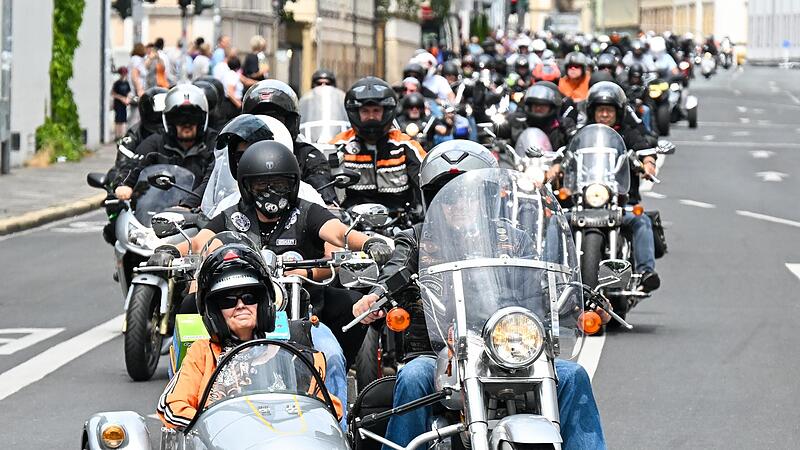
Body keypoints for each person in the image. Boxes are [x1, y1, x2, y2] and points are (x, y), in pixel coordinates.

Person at [352, 140, 607, 450]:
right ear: (432, 201)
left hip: (509, 351)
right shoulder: (416, 239)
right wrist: (378, 292)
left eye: (467, 196)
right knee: (413, 377)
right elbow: (395, 268)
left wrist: (579, 301)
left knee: (573, 375)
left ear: (484, 197)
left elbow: (540, 286)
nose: (458, 205)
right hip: (437, 354)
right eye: (447, 198)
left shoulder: (513, 238)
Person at [183, 141, 395, 416]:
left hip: (304, 318)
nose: (271, 193)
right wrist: (166, 251)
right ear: (247, 187)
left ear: (293, 184)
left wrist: (367, 243)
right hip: (242, 319)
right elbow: (200, 243)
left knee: (330, 357)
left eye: (280, 184)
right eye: (262, 185)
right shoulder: (232, 217)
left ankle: (336, 433)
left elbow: (339, 232)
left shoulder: (306, 212)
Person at [156, 237, 343, 429]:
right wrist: (212, 427)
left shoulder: (294, 356)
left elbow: (329, 410)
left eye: (249, 297)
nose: (240, 306)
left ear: (263, 304)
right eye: (228, 301)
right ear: (214, 312)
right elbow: (171, 406)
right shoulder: (202, 352)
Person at [585, 81, 661, 292]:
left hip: (621, 201)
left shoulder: (627, 133)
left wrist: (648, 164)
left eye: (609, 111)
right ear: (593, 112)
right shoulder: (583, 134)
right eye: (601, 110)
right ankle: (552, 274)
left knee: (641, 221)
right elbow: (564, 153)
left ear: (618, 112)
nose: (605, 115)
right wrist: (555, 166)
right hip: (587, 200)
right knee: (558, 221)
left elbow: (645, 149)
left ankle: (646, 272)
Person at [330, 76, 427, 213]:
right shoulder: (339, 145)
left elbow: (427, 178)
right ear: (355, 113)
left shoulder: (404, 145)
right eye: (365, 111)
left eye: (376, 111)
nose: (371, 117)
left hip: (399, 224)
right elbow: (320, 177)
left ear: (386, 111)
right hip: (351, 225)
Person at [113, 84, 218, 209]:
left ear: (202, 119)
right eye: (179, 117)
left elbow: (213, 178)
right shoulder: (156, 142)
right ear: (169, 119)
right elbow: (134, 164)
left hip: (202, 213)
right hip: (160, 211)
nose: (186, 124)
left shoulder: (214, 143)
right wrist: (124, 184)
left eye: (193, 117)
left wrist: (189, 204)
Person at [242, 79, 337, 204]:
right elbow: (215, 193)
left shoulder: (308, 156)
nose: (269, 125)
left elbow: (324, 196)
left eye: (276, 119)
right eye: (260, 121)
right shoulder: (237, 153)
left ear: (291, 123)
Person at [111, 67, 132, 140]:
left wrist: (128, 98)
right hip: (118, 103)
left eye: (124, 74)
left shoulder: (126, 83)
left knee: (124, 119)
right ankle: (117, 135)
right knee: (118, 119)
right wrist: (121, 98)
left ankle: (123, 134)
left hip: (124, 104)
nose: (123, 75)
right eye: (122, 74)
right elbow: (113, 93)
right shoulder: (117, 83)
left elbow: (129, 92)